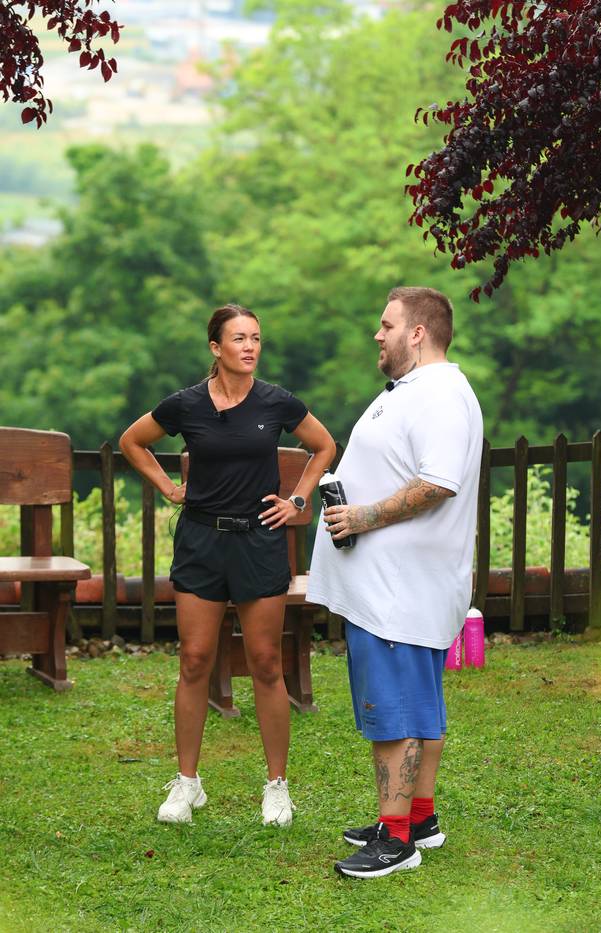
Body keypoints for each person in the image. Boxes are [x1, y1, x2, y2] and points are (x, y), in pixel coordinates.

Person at [120, 304, 336, 828]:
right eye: (238, 339)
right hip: (200, 541)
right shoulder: (186, 405)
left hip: (259, 542)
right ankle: (187, 784)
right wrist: (170, 488)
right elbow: (132, 441)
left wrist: (299, 502)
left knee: (265, 662)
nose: (250, 347)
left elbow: (324, 445)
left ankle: (277, 787)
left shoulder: (276, 402)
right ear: (215, 348)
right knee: (195, 660)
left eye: (256, 338)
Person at [307, 286, 483, 879]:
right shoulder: (419, 390)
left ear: (418, 332)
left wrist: (360, 516)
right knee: (420, 708)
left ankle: (396, 840)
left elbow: (437, 483)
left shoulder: (438, 395)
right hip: (396, 586)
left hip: (398, 591)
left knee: (394, 714)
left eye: (386, 325)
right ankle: (418, 818)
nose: (377, 335)